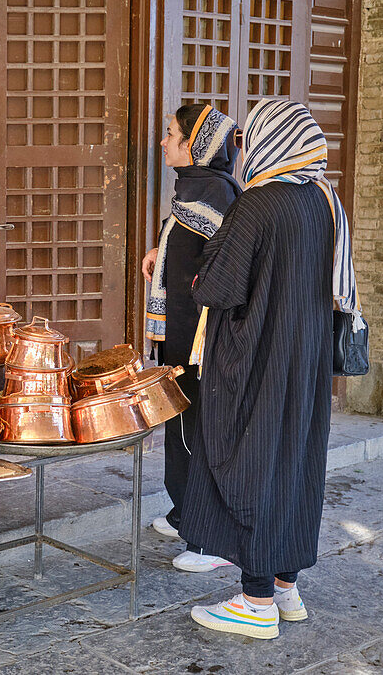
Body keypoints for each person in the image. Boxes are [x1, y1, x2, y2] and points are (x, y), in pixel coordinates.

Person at [183, 99, 360, 640]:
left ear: (267, 140)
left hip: (257, 360)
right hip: (304, 363)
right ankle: (286, 587)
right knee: (295, 464)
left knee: (250, 461)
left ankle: (254, 599)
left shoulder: (258, 205)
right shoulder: (326, 203)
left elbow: (215, 287)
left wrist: (195, 281)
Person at [142, 104, 241, 574]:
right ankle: (185, 512)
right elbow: (191, 247)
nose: (163, 142)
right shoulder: (195, 189)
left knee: (200, 428)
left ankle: (212, 538)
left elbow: (223, 266)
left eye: (171, 134)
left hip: (203, 338)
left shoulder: (218, 193)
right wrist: (162, 253)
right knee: (180, 420)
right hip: (180, 333)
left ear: (194, 145)